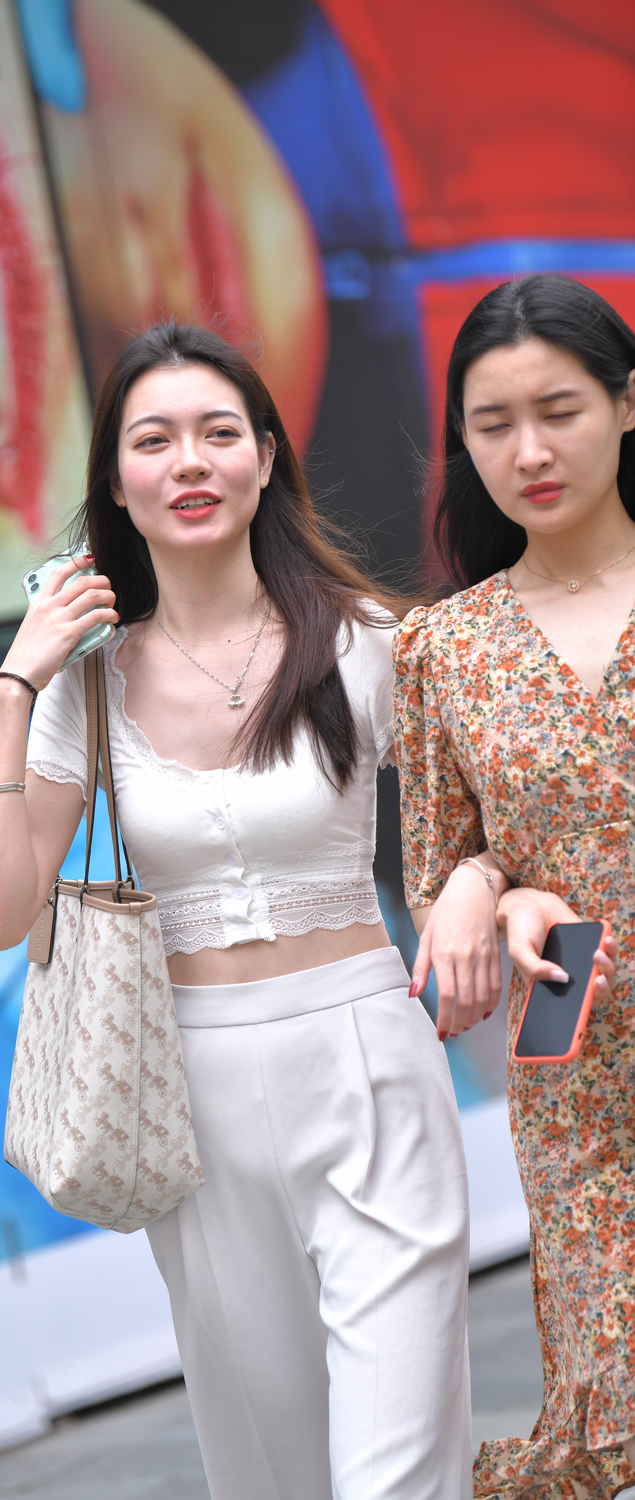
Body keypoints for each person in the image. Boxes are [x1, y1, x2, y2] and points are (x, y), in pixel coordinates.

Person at [0, 321, 480, 1499]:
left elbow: (489, 816)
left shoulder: (365, 643)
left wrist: (472, 881)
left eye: (216, 433)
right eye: (153, 441)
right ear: (116, 483)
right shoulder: (84, 685)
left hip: (367, 1067)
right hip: (188, 1102)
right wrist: (17, 682)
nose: (188, 461)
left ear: (263, 456)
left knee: (396, 1467)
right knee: (272, 1472)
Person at [392, 272, 633, 1498]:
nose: (528, 452)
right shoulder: (442, 649)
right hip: (578, 1064)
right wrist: (485, 886)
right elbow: (432, 867)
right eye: (492, 424)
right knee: (614, 1395)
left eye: (559, 411)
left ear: (627, 404)